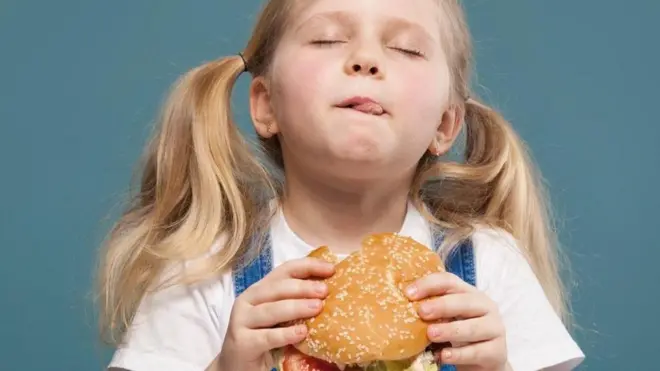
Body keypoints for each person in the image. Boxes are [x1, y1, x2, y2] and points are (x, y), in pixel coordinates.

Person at [97, 0, 585, 370]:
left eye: (406, 48)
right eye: (328, 39)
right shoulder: (202, 268)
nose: (367, 60)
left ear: (445, 125)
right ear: (266, 104)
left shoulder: (488, 264)